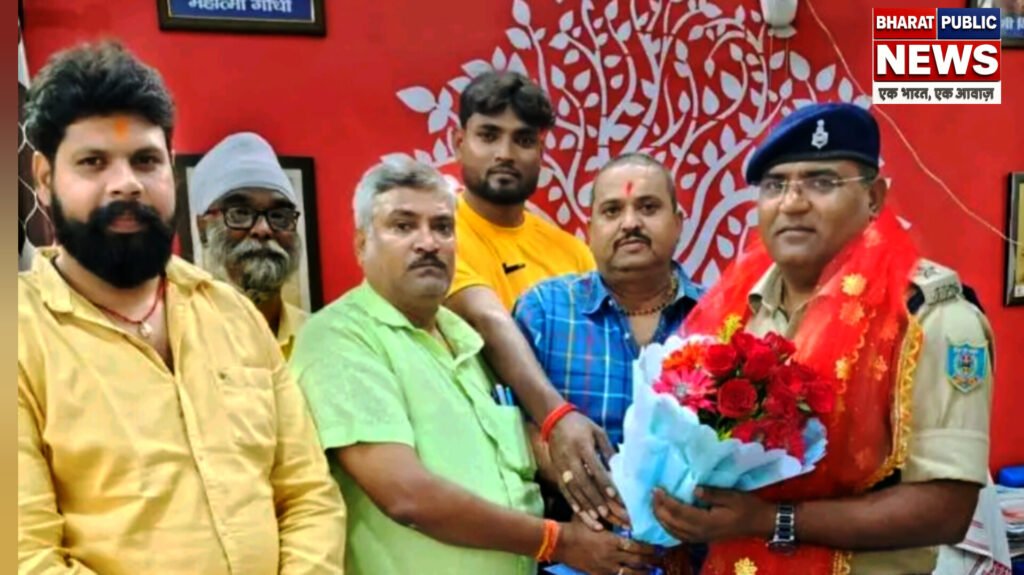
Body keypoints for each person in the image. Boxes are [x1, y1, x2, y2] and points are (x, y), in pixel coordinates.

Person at [18, 41, 346, 574]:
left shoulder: (232, 315)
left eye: (145, 160)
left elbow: (309, 496)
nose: (126, 183)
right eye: (93, 162)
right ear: (46, 178)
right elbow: (25, 555)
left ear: (170, 169)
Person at [651, 102, 994, 575]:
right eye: (775, 185)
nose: (792, 203)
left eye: (822, 182)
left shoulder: (929, 318)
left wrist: (769, 520)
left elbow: (946, 510)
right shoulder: (733, 311)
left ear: (874, 197)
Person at [290, 157, 657, 575]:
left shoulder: (466, 338)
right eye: (403, 226)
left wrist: (616, 498)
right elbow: (406, 495)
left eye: (442, 227)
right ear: (361, 245)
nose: (428, 243)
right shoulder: (339, 338)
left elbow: (523, 455)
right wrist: (560, 541)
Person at [445, 70, 625, 528]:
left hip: (570, 483)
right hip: (477, 473)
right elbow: (487, 320)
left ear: (541, 152)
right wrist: (556, 419)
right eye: (489, 135)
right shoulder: (438, 237)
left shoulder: (571, 251)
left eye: (523, 139)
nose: (505, 153)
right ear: (459, 141)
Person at [514, 153, 704, 450]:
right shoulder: (544, 312)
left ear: (677, 223)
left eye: (648, 207)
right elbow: (508, 424)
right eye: (612, 211)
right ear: (590, 231)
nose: (630, 223)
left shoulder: (719, 315)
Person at [190, 131, 307, 358]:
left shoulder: (322, 338)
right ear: (203, 229)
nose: (263, 229)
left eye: (279, 215)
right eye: (241, 213)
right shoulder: (183, 339)